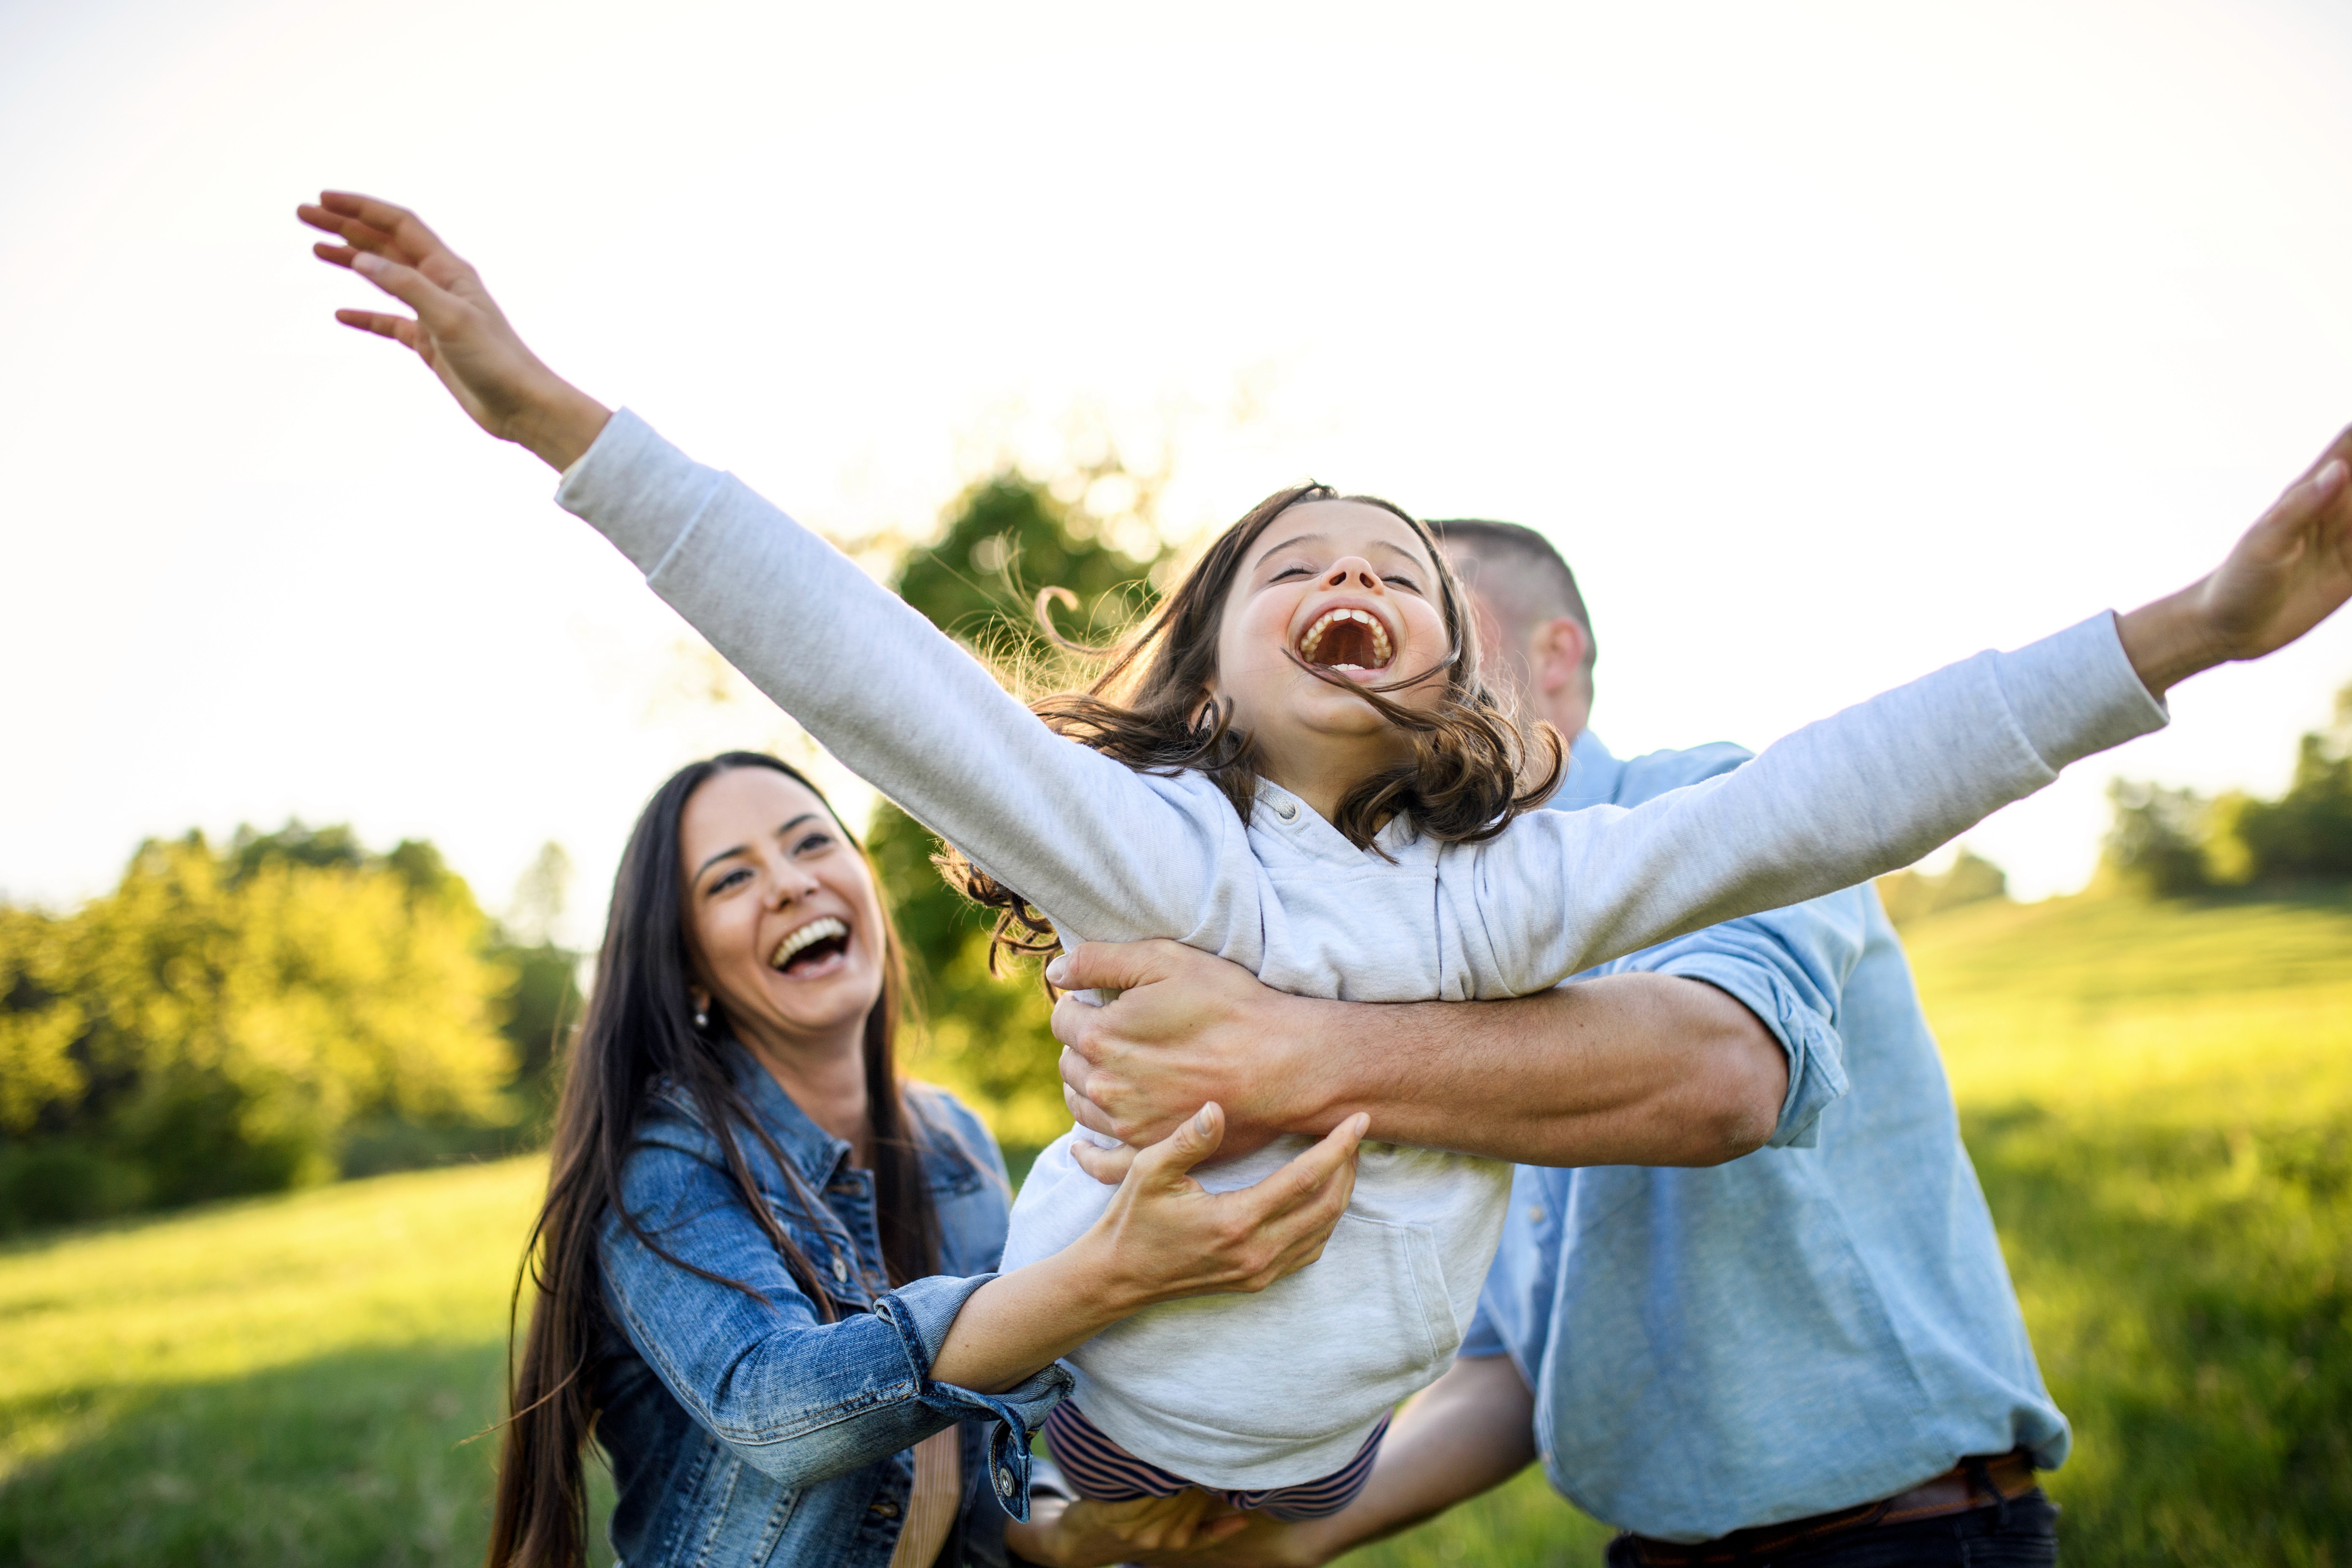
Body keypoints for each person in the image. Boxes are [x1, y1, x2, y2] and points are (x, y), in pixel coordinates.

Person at [298, 188, 2349, 1535]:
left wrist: (2186, 628)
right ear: (1205, 650)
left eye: (1393, 568)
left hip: (1303, 1495)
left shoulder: (1505, 900)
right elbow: (865, 670)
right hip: (1092, 1462)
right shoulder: (1148, 857)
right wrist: (559, 421)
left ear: (1470, 680)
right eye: (1298, 561)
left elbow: (1813, 798)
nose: (1352, 573)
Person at [1038, 512, 2345, 1565]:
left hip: (1908, 1538)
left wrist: (1292, 1054)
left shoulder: (1702, 802)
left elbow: (1720, 1076)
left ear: (1549, 658)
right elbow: (1510, 1376)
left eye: (1424, 600)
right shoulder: (1406, 943)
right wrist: (1272, 1548)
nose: (1372, 632)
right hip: (1657, 1549)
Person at [484, 751, 1368, 1568]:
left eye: (811, 844)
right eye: (733, 879)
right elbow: (777, 1408)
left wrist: (1071, 1531)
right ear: (688, 967)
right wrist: (1117, 1271)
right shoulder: (666, 1166)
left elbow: (981, 1456)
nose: (792, 884)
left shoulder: (952, 1141)